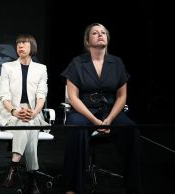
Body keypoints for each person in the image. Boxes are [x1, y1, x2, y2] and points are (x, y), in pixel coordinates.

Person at [61, 23, 141, 194]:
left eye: (103, 32)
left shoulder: (117, 63)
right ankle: (72, 187)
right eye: (95, 33)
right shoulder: (77, 62)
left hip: (110, 112)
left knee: (131, 130)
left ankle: (133, 187)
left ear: (107, 38)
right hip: (84, 111)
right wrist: (94, 121)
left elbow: (122, 96)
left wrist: (110, 119)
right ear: (87, 41)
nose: (100, 35)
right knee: (78, 128)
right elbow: (73, 97)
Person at [0, 34, 48, 194]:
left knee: (28, 123)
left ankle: (13, 167)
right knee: (27, 125)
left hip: (32, 112)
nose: (20, 46)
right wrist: (15, 111)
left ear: (32, 47)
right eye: (18, 44)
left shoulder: (41, 68)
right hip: (10, 111)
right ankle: (32, 177)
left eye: (24, 43)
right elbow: (4, 96)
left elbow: (41, 95)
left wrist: (35, 112)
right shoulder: (7, 67)